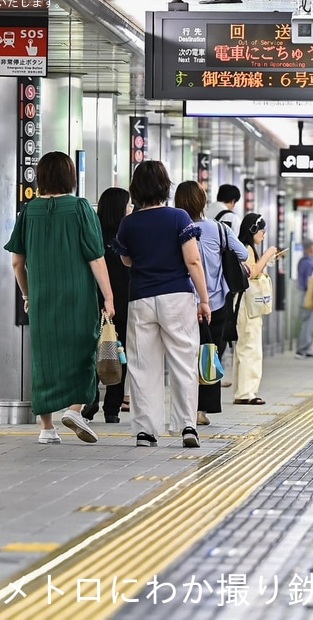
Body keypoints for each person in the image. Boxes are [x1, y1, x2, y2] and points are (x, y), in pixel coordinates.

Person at [5, 151, 114, 445]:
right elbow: (96, 257)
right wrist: (108, 297)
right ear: (71, 177)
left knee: (44, 359)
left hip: (42, 297)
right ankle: (76, 409)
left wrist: (28, 294)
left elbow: (17, 262)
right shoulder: (80, 208)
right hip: (78, 296)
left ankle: (46, 428)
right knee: (83, 352)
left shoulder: (29, 211)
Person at [115, 160, 211, 448]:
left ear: (136, 189)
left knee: (144, 365)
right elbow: (193, 260)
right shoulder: (179, 218)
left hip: (141, 298)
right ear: (165, 187)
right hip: (177, 297)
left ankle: (146, 431)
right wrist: (204, 299)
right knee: (183, 362)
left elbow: (126, 259)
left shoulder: (129, 222)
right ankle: (187, 427)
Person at [175, 181, 247, 425]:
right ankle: (201, 411)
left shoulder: (176, 228)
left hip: (184, 301)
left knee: (185, 357)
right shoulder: (219, 229)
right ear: (203, 203)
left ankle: (184, 408)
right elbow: (244, 255)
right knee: (210, 351)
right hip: (216, 304)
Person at [81, 187, 132, 424]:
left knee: (94, 352)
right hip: (122, 302)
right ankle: (112, 408)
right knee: (119, 352)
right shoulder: (126, 235)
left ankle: (90, 401)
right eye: (128, 205)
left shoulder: (93, 233)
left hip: (95, 301)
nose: (131, 208)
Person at [233, 213, 280, 405]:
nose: (263, 235)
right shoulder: (246, 249)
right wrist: (268, 254)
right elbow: (250, 273)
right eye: (261, 231)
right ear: (252, 230)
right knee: (250, 347)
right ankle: (246, 393)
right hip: (246, 305)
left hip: (245, 304)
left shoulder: (246, 248)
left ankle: (243, 390)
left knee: (246, 347)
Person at [295, 238, 313, 359]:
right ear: (311, 248)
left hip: (304, 294)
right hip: (307, 294)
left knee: (308, 322)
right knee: (307, 323)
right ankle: (302, 349)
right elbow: (308, 282)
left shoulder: (304, 261)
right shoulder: (308, 263)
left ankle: (306, 348)